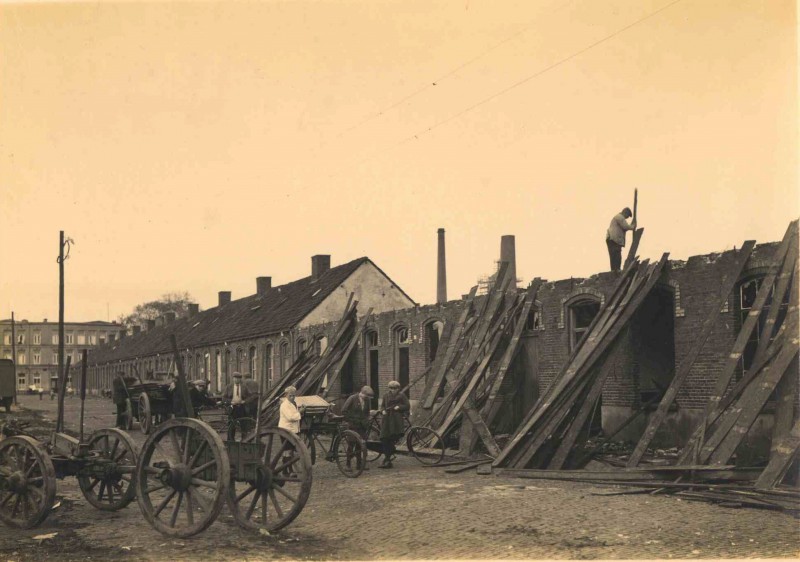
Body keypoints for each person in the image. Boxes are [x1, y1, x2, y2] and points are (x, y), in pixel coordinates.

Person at [341, 386, 375, 470]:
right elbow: (344, 411)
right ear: (362, 393)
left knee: (360, 445)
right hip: (353, 425)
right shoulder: (352, 398)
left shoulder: (367, 400)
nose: (367, 398)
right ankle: (348, 465)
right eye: (366, 396)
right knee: (351, 444)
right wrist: (350, 420)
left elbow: (367, 412)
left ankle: (359, 465)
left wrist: (367, 419)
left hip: (362, 426)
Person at [378, 381, 410, 469]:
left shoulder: (402, 395)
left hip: (396, 420)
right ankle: (387, 458)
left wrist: (399, 407)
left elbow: (407, 406)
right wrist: (382, 410)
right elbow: (382, 406)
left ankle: (387, 459)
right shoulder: (386, 395)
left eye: (394, 388)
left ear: (398, 388)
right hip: (387, 419)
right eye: (391, 388)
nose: (392, 390)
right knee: (384, 438)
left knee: (393, 438)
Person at [224, 372, 256, 440]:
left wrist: (245, 401)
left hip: (242, 408)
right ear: (233, 379)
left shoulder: (244, 387)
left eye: (238, 379)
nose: (236, 380)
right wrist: (230, 402)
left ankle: (244, 440)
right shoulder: (228, 387)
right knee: (231, 425)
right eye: (235, 378)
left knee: (243, 424)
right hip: (232, 408)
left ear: (240, 379)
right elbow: (224, 398)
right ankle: (230, 440)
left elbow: (251, 397)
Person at [606, 207, 637, 272]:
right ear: (625, 212)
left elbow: (625, 227)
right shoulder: (620, 217)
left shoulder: (618, 217)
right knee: (616, 255)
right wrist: (633, 226)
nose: (626, 218)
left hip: (613, 239)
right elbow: (625, 226)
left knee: (614, 255)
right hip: (614, 240)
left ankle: (615, 270)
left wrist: (631, 226)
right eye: (627, 216)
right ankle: (616, 270)